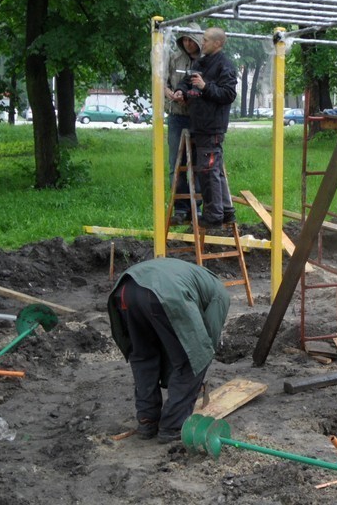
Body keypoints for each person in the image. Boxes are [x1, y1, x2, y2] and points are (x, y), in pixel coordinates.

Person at [107, 258, 231, 443]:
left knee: (143, 357)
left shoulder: (189, 275)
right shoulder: (220, 293)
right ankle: (172, 426)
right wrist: (194, 374)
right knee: (193, 359)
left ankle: (147, 420)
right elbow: (207, 340)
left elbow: (167, 337)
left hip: (125, 291)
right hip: (164, 294)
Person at [173, 26, 237, 228]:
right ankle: (226, 211)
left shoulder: (225, 65)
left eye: (207, 39)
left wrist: (204, 86)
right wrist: (181, 92)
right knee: (214, 170)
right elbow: (185, 81)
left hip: (212, 127)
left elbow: (228, 95)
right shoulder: (201, 62)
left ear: (218, 43)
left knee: (208, 172)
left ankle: (213, 215)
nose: (203, 42)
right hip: (199, 125)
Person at [165, 24, 202, 225]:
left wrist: (189, 96)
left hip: (197, 117)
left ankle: (196, 207)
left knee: (197, 163)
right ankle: (179, 208)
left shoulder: (205, 61)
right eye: (185, 40)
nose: (188, 44)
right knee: (176, 164)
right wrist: (169, 92)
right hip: (177, 115)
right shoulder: (174, 58)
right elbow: (164, 81)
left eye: (191, 40)